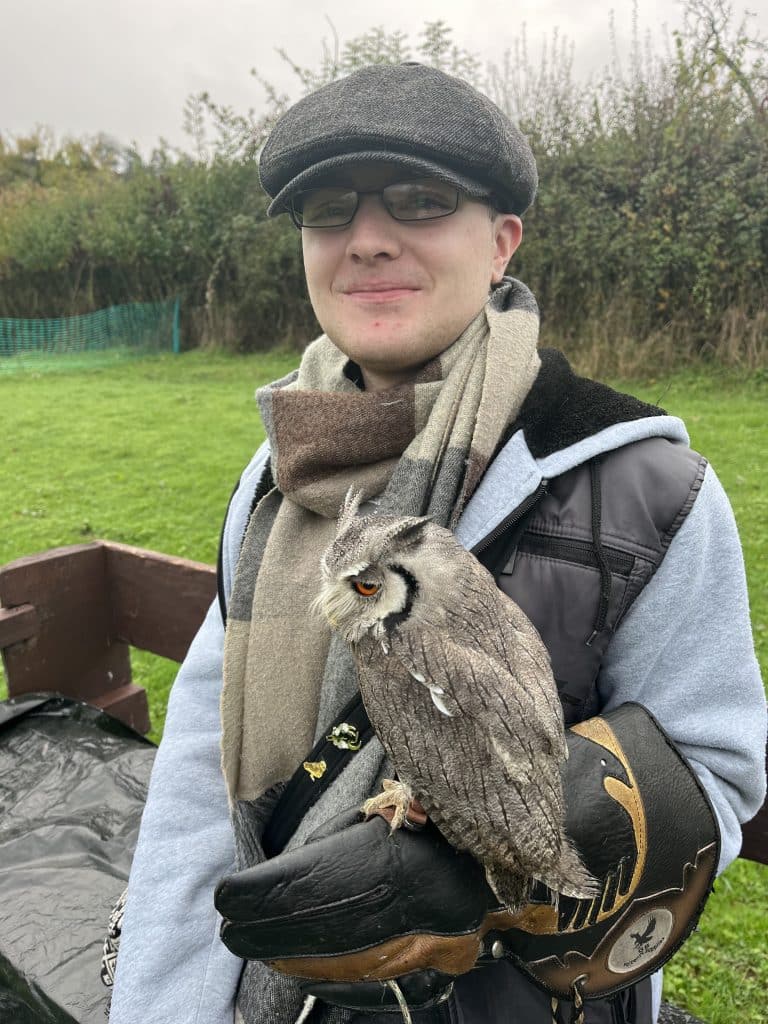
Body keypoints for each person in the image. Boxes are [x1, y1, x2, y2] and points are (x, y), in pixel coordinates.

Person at [108, 63, 766, 1024]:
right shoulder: (274, 477)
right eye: (330, 212)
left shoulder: (647, 492)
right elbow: (200, 783)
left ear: (502, 243)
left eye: (419, 202)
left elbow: (717, 773)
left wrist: (476, 871)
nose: (368, 241)